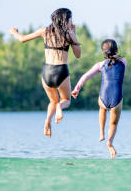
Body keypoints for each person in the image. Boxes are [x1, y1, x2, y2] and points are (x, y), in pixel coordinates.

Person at [8, 8, 81, 137]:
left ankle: (47, 121)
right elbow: (78, 54)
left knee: (52, 101)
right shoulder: (69, 34)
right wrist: (73, 35)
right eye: (71, 19)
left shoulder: (45, 31)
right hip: (61, 70)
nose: (72, 22)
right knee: (66, 100)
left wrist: (14, 32)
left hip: (46, 72)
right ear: (65, 20)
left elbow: (22, 39)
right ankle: (60, 108)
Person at [71, 39, 126, 158]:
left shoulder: (100, 65)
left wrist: (77, 89)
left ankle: (101, 133)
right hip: (117, 97)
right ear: (117, 50)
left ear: (103, 52)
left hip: (103, 96)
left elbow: (85, 76)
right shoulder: (123, 61)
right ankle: (110, 142)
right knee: (113, 124)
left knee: (102, 109)